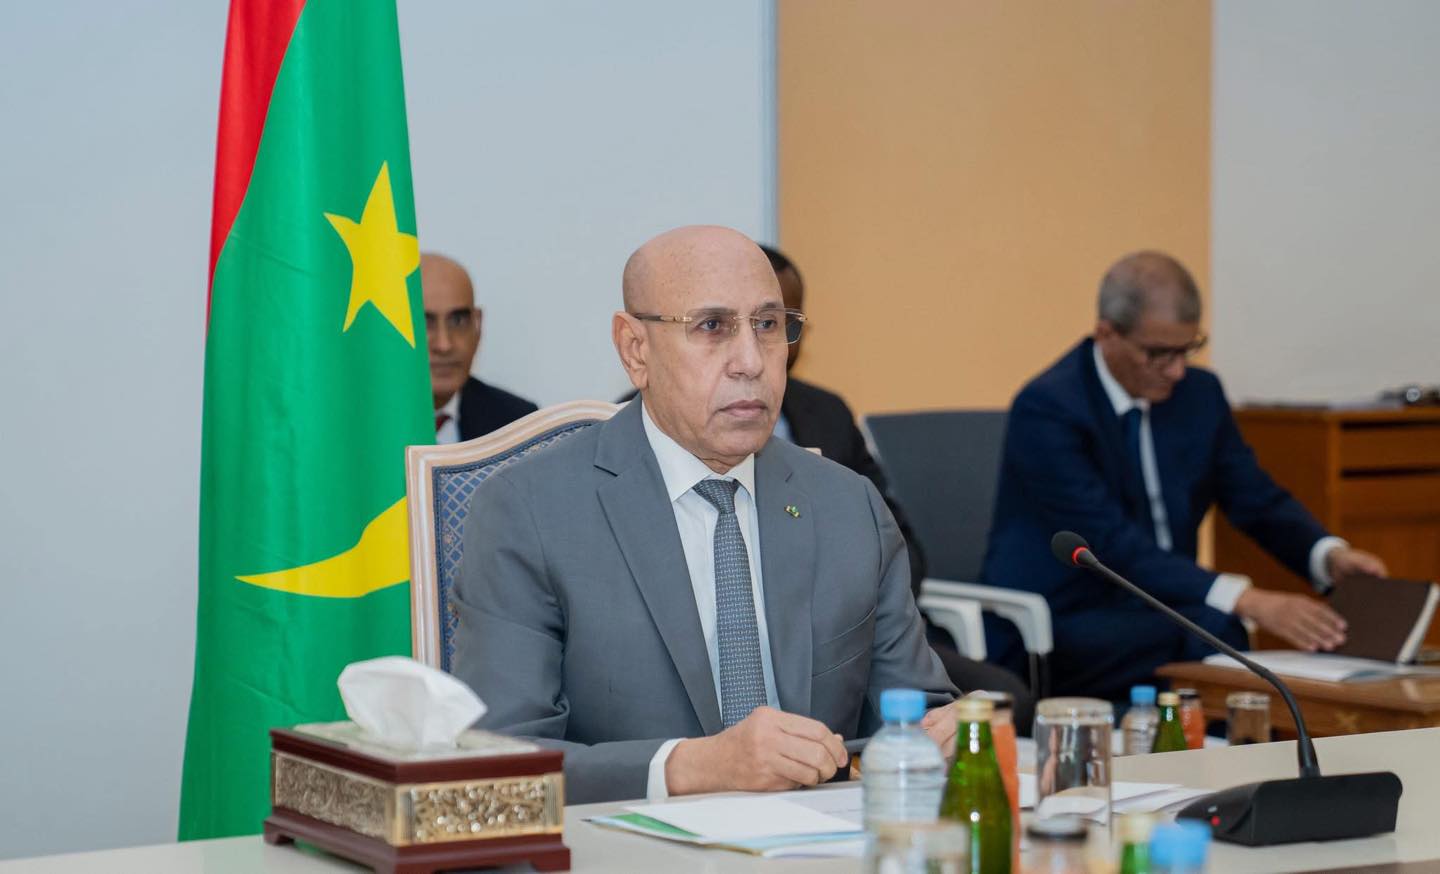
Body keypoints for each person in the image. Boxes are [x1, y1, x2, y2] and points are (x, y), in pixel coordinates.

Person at [453, 226, 957, 803]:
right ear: (635, 350)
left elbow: (917, 712)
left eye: (768, 325)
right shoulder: (530, 511)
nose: (751, 362)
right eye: (712, 327)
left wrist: (946, 736)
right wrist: (691, 767)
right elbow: (499, 761)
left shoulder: (848, 506)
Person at [980, 251, 1386, 701]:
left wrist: (1325, 554)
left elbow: (1253, 496)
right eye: (1158, 353)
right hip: (1067, 616)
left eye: (1187, 349)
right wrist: (1247, 598)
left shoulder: (1199, 395)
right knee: (1214, 629)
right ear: (1107, 334)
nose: (1176, 370)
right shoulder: (1049, 408)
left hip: (1162, 608)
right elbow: (1110, 542)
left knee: (1216, 629)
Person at [759, 244, 1033, 727]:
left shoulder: (826, 414)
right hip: (760, 648)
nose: (767, 343)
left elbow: (900, 542)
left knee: (1005, 699)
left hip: (858, 635)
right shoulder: (646, 423)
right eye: (757, 324)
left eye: (782, 324)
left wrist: (862, 612)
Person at [420, 252, 537, 442]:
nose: (444, 344)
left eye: (457, 321)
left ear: (478, 325)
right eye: (425, 323)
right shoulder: (366, 420)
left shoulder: (518, 423)